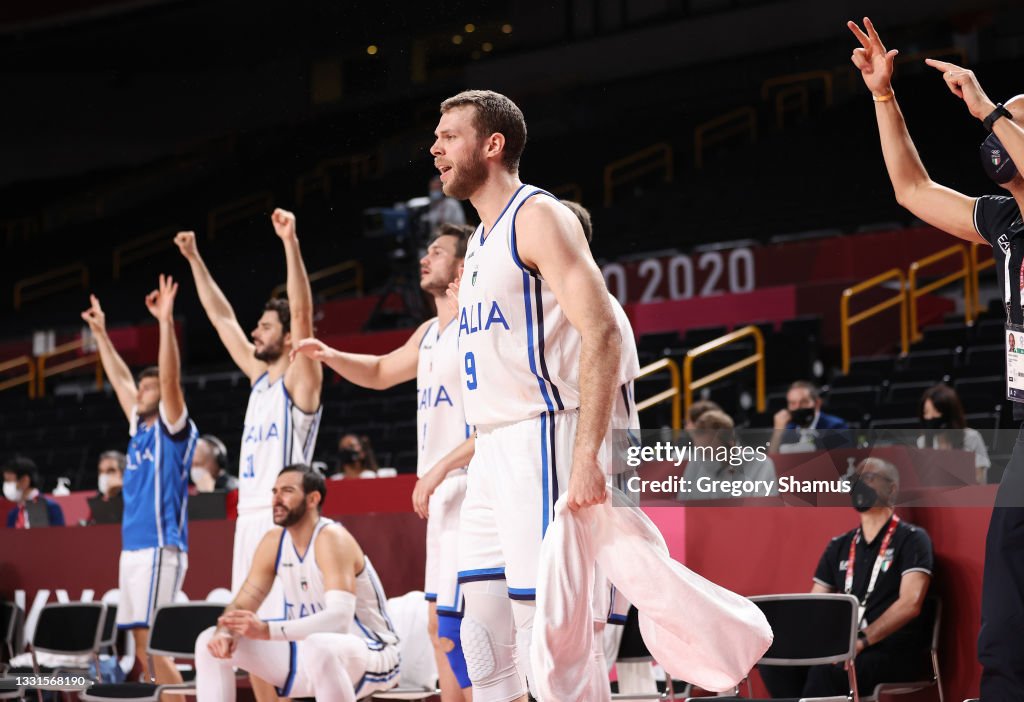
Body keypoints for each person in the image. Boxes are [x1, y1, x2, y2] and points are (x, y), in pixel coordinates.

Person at [848, 17, 1024, 699]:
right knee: (1007, 597)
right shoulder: (1007, 224)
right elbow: (913, 191)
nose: (1002, 126)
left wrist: (985, 105)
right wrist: (883, 98)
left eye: (1017, 119)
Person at [430, 89, 621, 701]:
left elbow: (603, 330)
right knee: (482, 642)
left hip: (542, 437)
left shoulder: (537, 216)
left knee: (550, 640)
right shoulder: (481, 241)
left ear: (493, 145)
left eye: (449, 135)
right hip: (491, 448)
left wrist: (588, 454)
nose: (434, 147)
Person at [293, 222, 476, 702]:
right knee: (442, 625)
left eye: (436, 252)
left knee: (469, 626)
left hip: (474, 487)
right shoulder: (429, 333)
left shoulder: (479, 326)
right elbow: (377, 372)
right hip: (442, 496)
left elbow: (497, 422)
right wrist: (330, 354)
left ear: (462, 266)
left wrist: (439, 470)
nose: (424, 258)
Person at [175, 210, 323, 702]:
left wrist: (291, 242)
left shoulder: (300, 381)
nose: (254, 332)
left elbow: (303, 316)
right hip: (248, 520)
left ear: (284, 337)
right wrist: (195, 259)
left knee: (280, 641)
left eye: (263, 326)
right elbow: (220, 318)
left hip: (283, 523)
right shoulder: (259, 381)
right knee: (244, 633)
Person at [194, 465, 399, 701]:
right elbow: (242, 604)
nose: (276, 499)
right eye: (274, 491)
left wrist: (267, 630)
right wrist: (225, 630)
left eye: (287, 491)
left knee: (320, 647)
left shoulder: (332, 538)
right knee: (209, 642)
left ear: (313, 499)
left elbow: (339, 621)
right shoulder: (273, 542)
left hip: (371, 651)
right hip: (307, 652)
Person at [80, 275, 197, 686]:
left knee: (155, 648)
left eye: (149, 386)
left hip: (159, 546)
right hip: (133, 547)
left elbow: (168, 382)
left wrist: (165, 323)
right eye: (142, 386)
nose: (141, 391)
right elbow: (120, 381)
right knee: (142, 644)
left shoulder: (172, 426)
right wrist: (100, 335)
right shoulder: (139, 428)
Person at [760, 458, 933, 698]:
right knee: (776, 665)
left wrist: (861, 640)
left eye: (869, 478)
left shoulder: (912, 539)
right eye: (855, 479)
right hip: (848, 646)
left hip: (892, 649)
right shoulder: (839, 545)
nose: (859, 485)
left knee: (827, 671)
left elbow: (910, 604)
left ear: (891, 488)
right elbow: (814, 606)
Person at [680, 410, 777, 500]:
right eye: (700, 451)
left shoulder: (760, 465)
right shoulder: (696, 462)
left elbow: (763, 513)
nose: (704, 458)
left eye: (708, 451)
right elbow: (681, 506)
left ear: (730, 443)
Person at [917, 383, 991, 484]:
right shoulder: (922, 442)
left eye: (935, 412)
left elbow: (980, 480)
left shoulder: (971, 438)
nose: (930, 417)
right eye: (926, 412)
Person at [769, 380, 849, 453]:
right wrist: (777, 432)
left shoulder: (835, 426)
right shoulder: (788, 430)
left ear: (817, 403)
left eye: (803, 402)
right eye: (793, 403)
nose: (797, 407)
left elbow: (840, 460)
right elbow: (771, 462)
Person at [3, 456, 65, 528]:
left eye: (9, 481)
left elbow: (59, 537)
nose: (6, 486)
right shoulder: (13, 514)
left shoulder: (50, 507)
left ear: (25, 480)